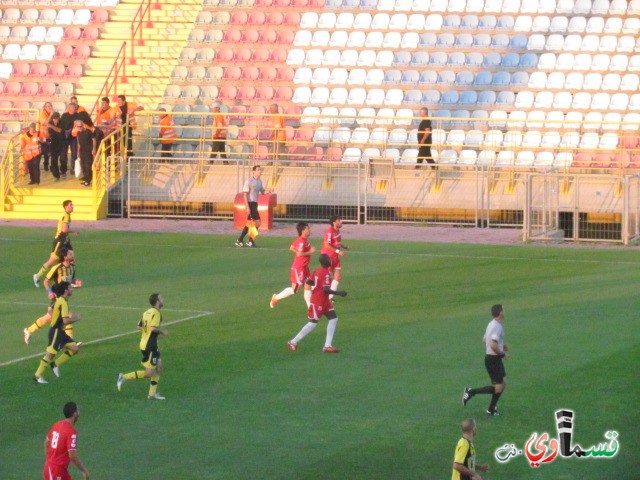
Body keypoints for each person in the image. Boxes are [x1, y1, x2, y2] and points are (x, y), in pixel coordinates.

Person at [287, 254, 347, 353]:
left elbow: (309, 282)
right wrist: (339, 293)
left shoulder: (317, 270)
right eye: (328, 259)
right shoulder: (326, 273)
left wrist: (309, 282)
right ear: (326, 262)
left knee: (333, 318)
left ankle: (327, 346)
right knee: (312, 324)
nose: (330, 260)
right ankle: (292, 342)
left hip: (325, 302)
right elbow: (326, 289)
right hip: (318, 302)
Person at [24, 248, 81, 345]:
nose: (73, 255)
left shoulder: (71, 268)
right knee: (67, 317)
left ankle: (29, 330)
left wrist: (76, 283)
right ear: (65, 257)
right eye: (70, 254)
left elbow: (70, 281)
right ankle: (70, 342)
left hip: (64, 297)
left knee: (49, 318)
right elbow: (46, 281)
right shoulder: (57, 268)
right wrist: (49, 292)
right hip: (57, 297)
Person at [117, 293, 168, 400]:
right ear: (157, 301)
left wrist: (147, 333)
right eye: (161, 298)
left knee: (159, 367)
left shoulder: (146, 312)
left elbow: (139, 326)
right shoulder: (157, 313)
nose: (163, 299)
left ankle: (152, 394)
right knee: (149, 373)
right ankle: (123, 377)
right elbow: (153, 328)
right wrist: (162, 331)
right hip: (151, 346)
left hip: (145, 343)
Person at [463, 304, 510, 416]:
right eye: (503, 309)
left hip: (493, 359)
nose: (504, 311)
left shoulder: (491, 324)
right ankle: (471, 391)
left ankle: (491, 409)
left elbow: (485, 340)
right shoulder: (498, 327)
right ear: (500, 313)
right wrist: (502, 354)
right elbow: (493, 344)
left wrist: (502, 345)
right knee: (498, 388)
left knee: (503, 383)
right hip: (493, 359)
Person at [33, 281, 82, 384]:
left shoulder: (59, 300)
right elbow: (65, 321)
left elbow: (50, 309)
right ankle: (37, 376)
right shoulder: (63, 302)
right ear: (65, 290)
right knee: (50, 354)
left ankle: (55, 364)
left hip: (60, 331)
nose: (72, 289)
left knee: (75, 348)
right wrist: (76, 318)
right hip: (56, 331)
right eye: (70, 288)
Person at [32, 199, 78, 288]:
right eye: (70, 205)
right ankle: (37, 276)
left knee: (72, 260)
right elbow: (64, 230)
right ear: (66, 207)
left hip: (66, 241)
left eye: (72, 205)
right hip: (60, 241)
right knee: (52, 262)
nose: (72, 207)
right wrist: (74, 231)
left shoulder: (67, 215)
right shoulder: (66, 216)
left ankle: (70, 280)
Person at [270, 222, 315, 309]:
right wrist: (310, 252)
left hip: (304, 267)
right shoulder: (301, 241)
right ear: (303, 231)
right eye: (307, 228)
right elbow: (298, 254)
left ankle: (311, 309)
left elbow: (291, 247)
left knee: (308, 285)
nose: (309, 230)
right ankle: (276, 298)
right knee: (295, 290)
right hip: (299, 268)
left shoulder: (302, 240)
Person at [43, 401, 90, 480]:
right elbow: (72, 455)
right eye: (77, 411)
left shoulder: (57, 424)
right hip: (55, 471)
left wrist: (48, 461)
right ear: (74, 414)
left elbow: (46, 442)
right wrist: (84, 471)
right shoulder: (71, 432)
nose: (79, 413)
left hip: (59, 470)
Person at [234, 165, 271, 248]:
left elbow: (263, 192)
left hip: (255, 203)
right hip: (250, 203)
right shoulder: (249, 181)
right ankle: (250, 240)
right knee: (258, 222)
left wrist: (269, 190)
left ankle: (240, 240)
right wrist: (247, 207)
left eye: (260, 170)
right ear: (253, 171)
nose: (260, 171)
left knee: (249, 223)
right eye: (258, 170)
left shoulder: (259, 181)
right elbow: (245, 195)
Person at [320, 215, 349, 300]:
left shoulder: (337, 231)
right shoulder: (329, 231)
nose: (341, 222)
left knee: (337, 277)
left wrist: (343, 246)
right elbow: (326, 244)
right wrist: (338, 251)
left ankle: (329, 298)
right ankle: (317, 291)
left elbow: (336, 243)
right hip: (328, 257)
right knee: (328, 278)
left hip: (335, 257)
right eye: (339, 220)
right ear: (334, 223)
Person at [59, 103, 92, 175]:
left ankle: (73, 169)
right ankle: (63, 170)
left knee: (74, 153)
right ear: (69, 108)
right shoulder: (64, 115)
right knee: (63, 154)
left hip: (74, 137)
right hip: (65, 137)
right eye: (72, 107)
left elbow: (81, 125)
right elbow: (61, 125)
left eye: (74, 107)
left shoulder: (78, 115)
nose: (73, 109)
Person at [73, 120, 102, 186]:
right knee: (83, 165)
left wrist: (94, 149)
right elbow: (78, 143)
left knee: (88, 166)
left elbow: (93, 140)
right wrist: (78, 152)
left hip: (88, 151)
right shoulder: (78, 133)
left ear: (83, 125)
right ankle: (86, 178)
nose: (79, 128)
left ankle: (88, 180)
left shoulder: (88, 131)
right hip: (82, 151)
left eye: (80, 126)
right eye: (78, 127)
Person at [47, 112, 65, 181]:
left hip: (62, 143)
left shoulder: (62, 123)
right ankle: (56, 175)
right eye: (54, 119)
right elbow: (48, 136)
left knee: (63, 159)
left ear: (59, 118)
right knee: (53, 160)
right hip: (53, 144)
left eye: (56, 118)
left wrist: (50, 126)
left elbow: (59, 130)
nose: (55, 120)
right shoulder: (50, 124)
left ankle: (63, 172)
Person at [38, 102, 54, 171]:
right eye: (47, 106)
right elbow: (45, 123)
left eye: (50, 106)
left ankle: (47, 165)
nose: (49, 107)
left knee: (49, 153)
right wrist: (51, 115)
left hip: (50, 136)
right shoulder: (42, 114)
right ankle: (44, 165)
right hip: (43, 136)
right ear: (45, 107)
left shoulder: (53, 114)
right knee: (44, 152)